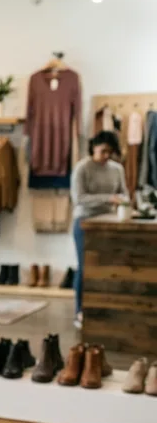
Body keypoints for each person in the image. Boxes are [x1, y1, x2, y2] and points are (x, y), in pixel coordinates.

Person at [71, 131, 128, 327]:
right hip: (84, 221)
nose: (106, 156)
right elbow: (78, 198)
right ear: (93, 147)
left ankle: (103, 309)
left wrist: (123, 203)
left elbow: (124, 193)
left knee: (108, 267)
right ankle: (80, 311)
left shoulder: (117, 169)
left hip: (109, 221)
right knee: (85, 267)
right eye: (103, 151)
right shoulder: (82, 168)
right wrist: (108, 198)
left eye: (109, 152)